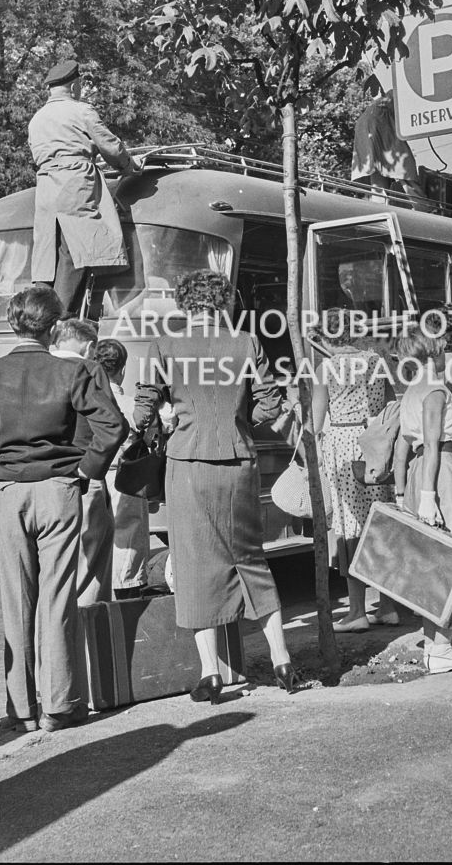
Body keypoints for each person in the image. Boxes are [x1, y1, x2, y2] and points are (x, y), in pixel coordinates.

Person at [0, 287, 127, 733]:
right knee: (59, 595)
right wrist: (86, 469)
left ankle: (20, 709)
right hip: (60, 490)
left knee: (17, 600)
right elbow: (111, 425)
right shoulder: (76, 371)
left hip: (8, 492)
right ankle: (60, 706)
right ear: (56, 325)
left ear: (13, 323)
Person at [132, 270, 298, 702]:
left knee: (194, 563)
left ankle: (210, 673)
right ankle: (282, 659)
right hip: (238, 461)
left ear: (185, 305)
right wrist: (238, 422)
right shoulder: (245, 341)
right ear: (222, 302)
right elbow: (269, 402)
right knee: (249, 559)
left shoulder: (164, 345)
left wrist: (156, 424)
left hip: (187, 462)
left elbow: (144, 406)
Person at [393, 325, 452, 674]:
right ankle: (442, 646)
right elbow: (432, 443)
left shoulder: (412, 390)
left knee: (431, 557)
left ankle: (436, 642)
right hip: (439, 469)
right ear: (432, 353)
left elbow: (404, 445)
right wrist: (429, 496)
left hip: (419, 472)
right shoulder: (435, 390)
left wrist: (404, 492)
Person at [310, 309, 398, 632]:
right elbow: (390, 404)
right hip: (375, 444)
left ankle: (357, 610)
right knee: (380, 520)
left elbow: (316, 421)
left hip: (344, 448)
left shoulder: (325, 368)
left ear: (325, 337)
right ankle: (388, 606)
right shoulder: (376, 361)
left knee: (351, 525)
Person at [29, 59, 137, 315]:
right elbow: (110, 146)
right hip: (75, 181)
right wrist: (128, 166)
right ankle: (60, 317)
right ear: (75, 86)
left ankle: (37, 314)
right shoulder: (81, 111)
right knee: (78, 249)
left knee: (47, 255)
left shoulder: (37, 119)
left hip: (45, 186)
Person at [50, 319, 117, 608]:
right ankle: (89, 648)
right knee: (91, 566)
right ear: (89, 346)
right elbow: (111, 425)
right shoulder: (91, 369)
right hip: (82, 474)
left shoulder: (36, 365)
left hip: (41, 479)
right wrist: (89, 470)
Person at [93, 338, 151, 598]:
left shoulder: (86, 402)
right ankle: (125, 588)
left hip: (93, 473)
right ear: (123, 369)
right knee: (128, 531)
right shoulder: (130, 405)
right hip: (124, 476)